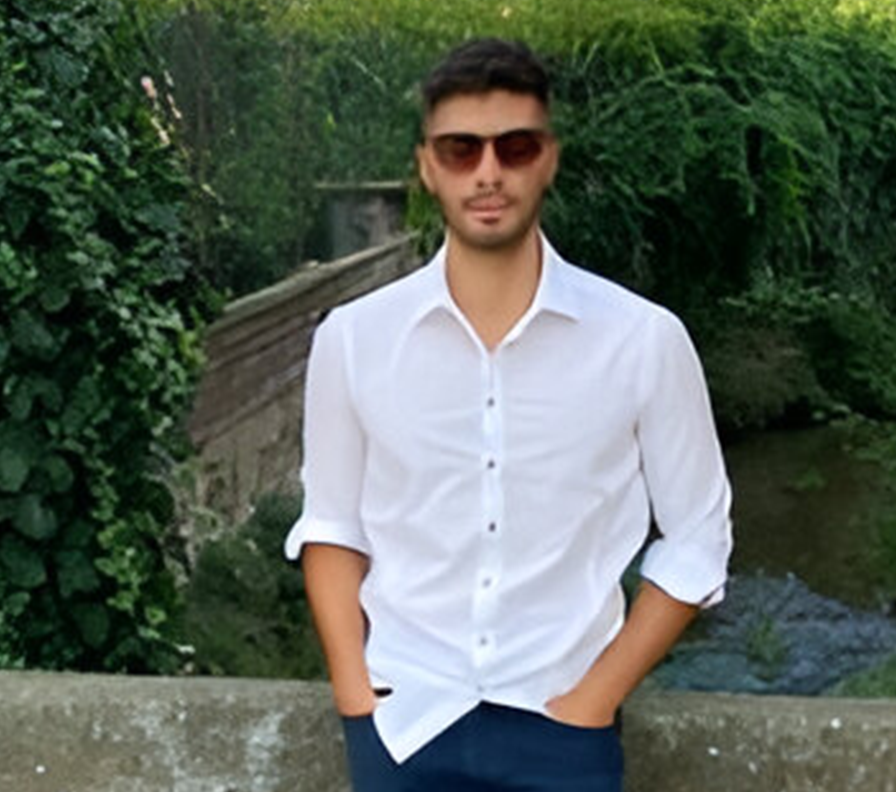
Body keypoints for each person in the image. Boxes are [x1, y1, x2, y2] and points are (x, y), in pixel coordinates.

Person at [284, 38, 733, 792]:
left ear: (547, 159)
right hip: (402, 724)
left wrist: (595, 700)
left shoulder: (642, 340)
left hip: (563, 729)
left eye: (514, 147)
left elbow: (698, 537)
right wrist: (353, 690)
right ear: (427, 167)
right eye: (461, 149)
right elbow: (332, 525)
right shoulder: (354, 340)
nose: (488, 172)